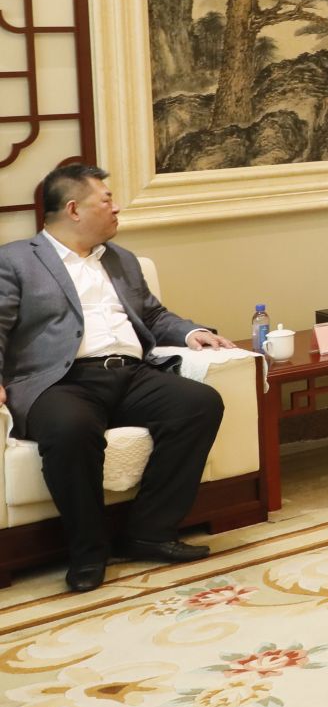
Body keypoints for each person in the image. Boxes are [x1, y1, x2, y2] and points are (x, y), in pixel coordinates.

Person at [0, 164, 239, 592]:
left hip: (130, 373)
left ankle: (149, 531)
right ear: (73, 209)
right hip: (59, 381)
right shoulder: (16, 260)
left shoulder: (121, 259)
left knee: (198, 404)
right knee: (71, 429)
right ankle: (88, 552)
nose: (116, 208)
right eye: (106, 200)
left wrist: (192, 333)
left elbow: (154, 315)